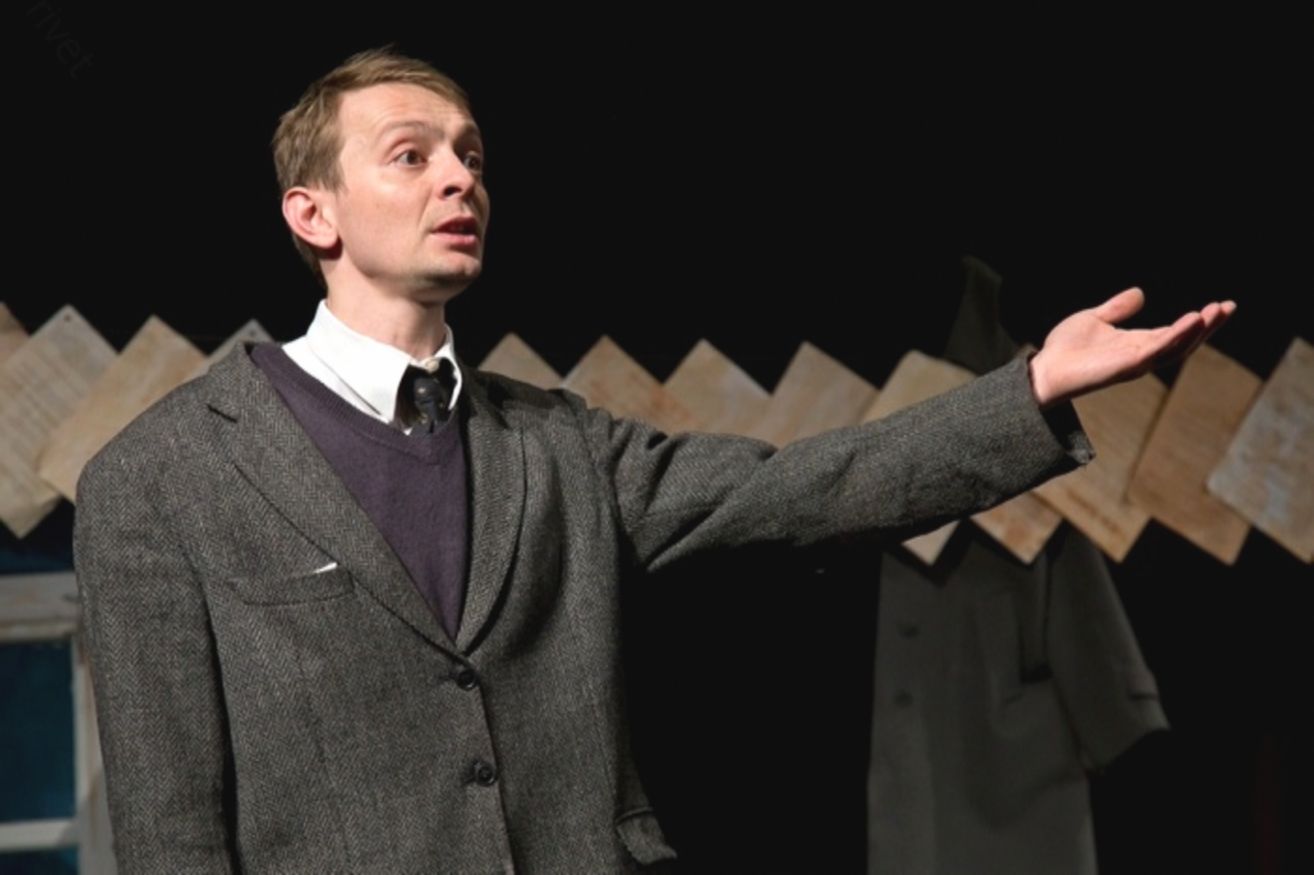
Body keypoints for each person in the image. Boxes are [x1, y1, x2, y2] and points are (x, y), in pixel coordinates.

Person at [72, 46, 1233, 873]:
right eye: (411, 156)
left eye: (471, 155)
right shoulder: (161, 477)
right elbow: (170, 832)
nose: (460, 178)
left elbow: (804, 490)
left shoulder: (557, 444)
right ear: (313, 215)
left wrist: (1031, 387)